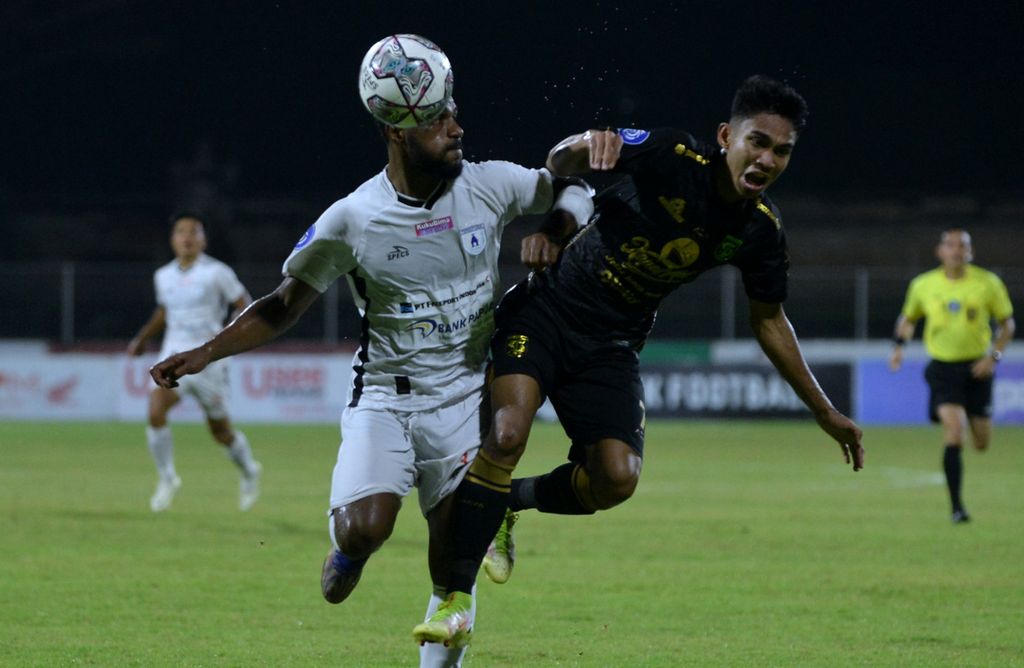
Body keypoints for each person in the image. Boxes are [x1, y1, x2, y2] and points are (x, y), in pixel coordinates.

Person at [414, 74, 866, 645]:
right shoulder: (673, 155)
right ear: (727, 136)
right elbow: (562, 161)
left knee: (616, 479)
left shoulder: (759, 231)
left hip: (611, 346)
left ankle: (511, 502)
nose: (767, 159)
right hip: (546, 312)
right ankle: (454, 600)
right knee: (506, 435)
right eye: (758, 142)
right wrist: (587, 144)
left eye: (782, 151)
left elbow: (769, 320)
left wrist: (823, 411)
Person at [149, 90, 594, 663]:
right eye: (438, 120)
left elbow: (574, 188)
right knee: (366, 528)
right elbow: (282, 305)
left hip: (463, 400)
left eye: (454, 111)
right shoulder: (353, 218)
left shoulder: (490, 183)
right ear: (397, 132)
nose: (457, 128)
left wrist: (557, 230)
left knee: (455, 555)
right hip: (385, 399)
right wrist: (206, 352)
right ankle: (347, 551)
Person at [128, 213, 262, 512]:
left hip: (208, 362)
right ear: (173, 239)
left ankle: (249, 470)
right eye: (181, 231)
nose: (187, 236)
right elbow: (164, 311)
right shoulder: (163, 276)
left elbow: (245, 305)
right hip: (174, 356)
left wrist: (225, 338)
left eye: (193, 231)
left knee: (221, 432)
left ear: (203, 240)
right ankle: (167, 478)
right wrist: (142, 338)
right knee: (155, 410)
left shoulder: (217, 273)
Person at [888, 229, 1014, 523]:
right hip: (943, 370)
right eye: (951, 245)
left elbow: (1007, 325)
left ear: (970, 252)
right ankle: (957, 508)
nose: (957, 250)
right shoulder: (923, 285)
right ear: (940, 252)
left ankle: (964, 415)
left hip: (978, 370)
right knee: (955, 432)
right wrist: (898, 346)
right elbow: (908, 318)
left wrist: (993, 357)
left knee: (981, 443)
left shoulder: (988, 283)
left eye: (963, 246)